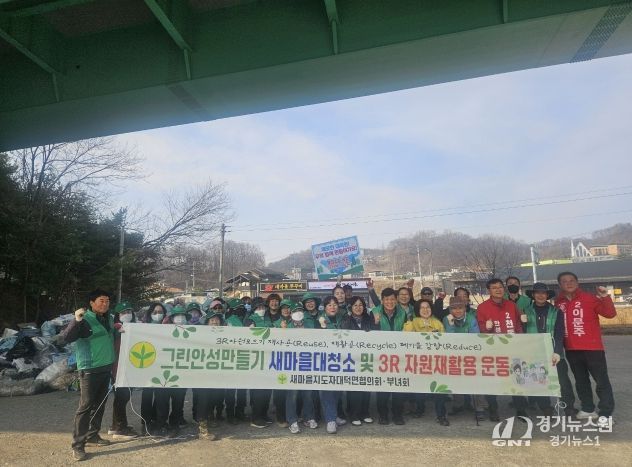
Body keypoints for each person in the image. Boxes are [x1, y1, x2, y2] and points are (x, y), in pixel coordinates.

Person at [62, 289, 117, 461]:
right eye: (101, 300)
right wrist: (76, 320)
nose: (105, 304)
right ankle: (78, 445)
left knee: (99, 404)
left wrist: (118, 329)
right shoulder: (84, 319)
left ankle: (93, 435)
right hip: (89, 369)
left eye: (107, 301)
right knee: (85, 407)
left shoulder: (109, 318)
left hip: (105, 367)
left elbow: (109, 335)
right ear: (92, 303)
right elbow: (67, 337)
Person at [555, 271, 617, 422]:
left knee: (601, 380)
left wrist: (605, 297)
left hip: (593, 348)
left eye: (571, 280)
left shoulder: (589, 298)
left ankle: (606, 412)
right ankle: (588, 408)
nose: (569, 283)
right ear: (560, 285)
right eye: (564, 281)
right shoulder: (558, 303)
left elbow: (610, 314)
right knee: (581, 381)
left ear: (577, 282)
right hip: (571, 349)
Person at [476, 278, 528, 421]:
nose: (498, 290)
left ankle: (521, 409)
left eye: (500, 287)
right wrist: (486, 328)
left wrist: (521, 338)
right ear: (489, 291)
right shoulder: (482, 307)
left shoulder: (511, 305)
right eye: (494, 288)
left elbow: (518, 325)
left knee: (516, 378)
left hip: (513, 348)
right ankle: (493, 409)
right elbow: (480, 329)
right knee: (491, 380)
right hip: (493, 350)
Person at [523, 283, 575, 416]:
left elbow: (559, 333)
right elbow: (522, 334)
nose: (540, 295)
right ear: (533, 295)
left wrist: (557, 351)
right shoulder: (525, 311)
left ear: (547, 295)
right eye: (537, 293)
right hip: (534, 352)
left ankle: (569, 407)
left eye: (543, 293)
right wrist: (522, 322)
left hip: (554, 352)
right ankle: (545, 407)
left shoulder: (556, 311)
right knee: (539, 380)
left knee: (563, 381)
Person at [404, 299, 449, 426]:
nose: (425, 310)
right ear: (417, 310)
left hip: (436, 362)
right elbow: (406, 338)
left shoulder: (438, 323)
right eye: (422, 308)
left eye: (427, 307)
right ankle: (420, 409)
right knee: (419, 390)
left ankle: (441, 415)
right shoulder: (412, 322)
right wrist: (409, 323)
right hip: (418, 361)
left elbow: (445, 341)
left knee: (439, 389)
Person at [442, 297, 488, 421]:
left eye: (460, 308)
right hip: (454, 355)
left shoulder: (471, 318)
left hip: (471, 354)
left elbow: (475, 337)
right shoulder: (446, 319)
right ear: (450, 310)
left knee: (476, 381)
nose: (457, 311)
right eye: (454, 308)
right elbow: (449, 338)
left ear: (464, 308)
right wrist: (451, 325)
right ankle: (458, 404)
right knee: (456, 380)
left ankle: (479, 407)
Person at [372, 287, 407, 425]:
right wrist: (375, 323)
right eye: (386, 299)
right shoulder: (374, 312)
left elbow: (407, 331)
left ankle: (398, 414)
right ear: (382, 300)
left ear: (396, 300)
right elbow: (368, 333)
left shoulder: (403, 313)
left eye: (392, 299)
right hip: (381, 356)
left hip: (399, 356)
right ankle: (383, 415)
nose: (390, 302)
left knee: (398, 386)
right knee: (382, 387)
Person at [340, 296, 376, 426]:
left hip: (366, 357)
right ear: (350, 307)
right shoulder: (346, 320)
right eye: (355, 305)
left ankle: (365, 413)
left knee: (366, 386)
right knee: (354, 388)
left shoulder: (369, 319)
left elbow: (377, 336)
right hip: (352, 358)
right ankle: (353, 414)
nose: (358, 307)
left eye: (360, 305)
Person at [283, 307, 319, 434]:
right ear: (291, 313)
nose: (297, 313)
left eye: (300, 310)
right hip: (292, 364)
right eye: (295, 311)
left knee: (308, 393)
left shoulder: (310, 324)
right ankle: (292, 421)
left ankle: (309, 417)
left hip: (307, 363)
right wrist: (282, 331)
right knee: (292, 394)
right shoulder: (285, 326)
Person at [154, 305, 189, 435]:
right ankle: (161, 424)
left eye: (183, 316)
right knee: (162, 401)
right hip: (163, 371)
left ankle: (175, 424)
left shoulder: (192, 332)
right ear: (172, 318)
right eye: (177, 316)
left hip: (181, 372)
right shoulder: (162, 330)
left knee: (178, 401)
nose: (180, 318)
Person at [108, 301, 139, 440]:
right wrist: (116, 328)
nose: (127, 314)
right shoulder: (116, 328)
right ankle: (120, 429)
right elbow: (111, 332)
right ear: (117, 315)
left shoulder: (135, 327)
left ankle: (116, 425)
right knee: (122, 397)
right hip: (119, 368)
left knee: (122, 398)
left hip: (130, 367)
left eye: (129, 312)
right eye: (123, 312)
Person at [317, 296, 347, 433]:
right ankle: (330, 420)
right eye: (329, 305)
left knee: (337, 389)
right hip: (324, 360)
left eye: (335, 304)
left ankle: (334, 415)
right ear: (325, 307)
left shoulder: (343, 318)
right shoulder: (319, 320)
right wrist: (322, 327)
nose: (332, 307)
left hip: (340, 359)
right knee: (327, 389)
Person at [244, 297, 274, 428]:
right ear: (254, 309)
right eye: (258, 307)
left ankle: (264, 414)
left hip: (269, 358)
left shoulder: (268, 319)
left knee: (267, 389)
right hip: (256, 358)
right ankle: (256, 417)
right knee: (258, 390)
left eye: (263, 307)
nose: (261, 309)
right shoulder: (250, 320)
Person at [223, 298, 247, 424]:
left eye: (242, 308)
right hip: (231, 357)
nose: (241, 310)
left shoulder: (246, 319)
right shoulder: (228, 321)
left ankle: (240, 411)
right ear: (232, 310)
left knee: (243, 389)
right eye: (238, 308)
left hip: (245, 357)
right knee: (231, 389)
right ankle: (230, 413)